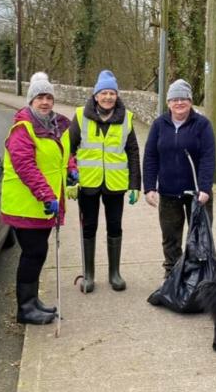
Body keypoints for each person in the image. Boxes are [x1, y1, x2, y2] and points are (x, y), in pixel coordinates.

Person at [0, 77, 77, 325]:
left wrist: (71, 168)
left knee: (37, 253)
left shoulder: (55, 126)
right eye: (40, 97)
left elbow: (64, 154)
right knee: (34, 252)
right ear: (31, 100)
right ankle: (25, 308)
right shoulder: (23, 129)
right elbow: (25, 166)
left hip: (45, 206)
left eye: (48, 97)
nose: (45, 102)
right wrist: (46, 194)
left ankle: (32, 302)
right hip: (27, 205)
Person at [68, 70, 141, 292]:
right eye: (104, 93)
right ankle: (89, 275)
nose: (108, 97)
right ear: (96, 95)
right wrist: (70, 180)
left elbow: (133, 152)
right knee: (89, 227)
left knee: (114, 227)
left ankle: (114, 274)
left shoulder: (126, 118)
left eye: (112, 93)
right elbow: (69, 150)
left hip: (115, 184)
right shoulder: (81, 116)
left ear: (116, 96)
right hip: (88, 183)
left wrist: (135, 185)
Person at [143, 79, 216, 277]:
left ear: (191, 101)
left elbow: (208, 158)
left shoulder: (202, 125)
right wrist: (149, 187)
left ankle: (197, 275)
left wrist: (205, 188)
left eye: (183, 98)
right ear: (168, 103)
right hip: (168, 192)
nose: (179, 103)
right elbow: (150, 156)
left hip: (196, 194)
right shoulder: (159, 125)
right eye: (174, 99)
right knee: (170, 237)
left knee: (199, 237)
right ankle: (172, 274)